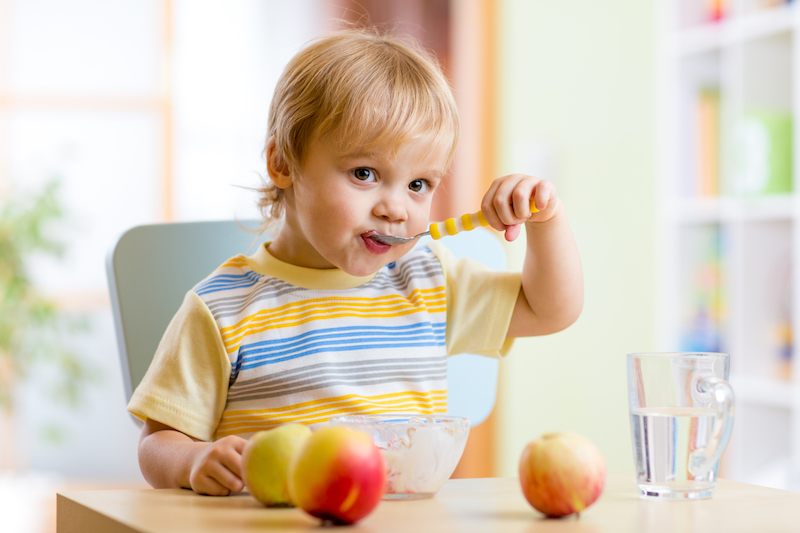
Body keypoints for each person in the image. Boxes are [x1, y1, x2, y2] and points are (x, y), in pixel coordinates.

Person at [128, 28, 583, 496]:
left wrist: (546, 222)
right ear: (282, 163)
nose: (396, 208)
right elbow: (157, 443)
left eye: (419, 185)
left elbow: (550, 309)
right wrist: (192, 461)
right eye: (365, 174)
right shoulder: (222, 308)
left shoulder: (427, 279)